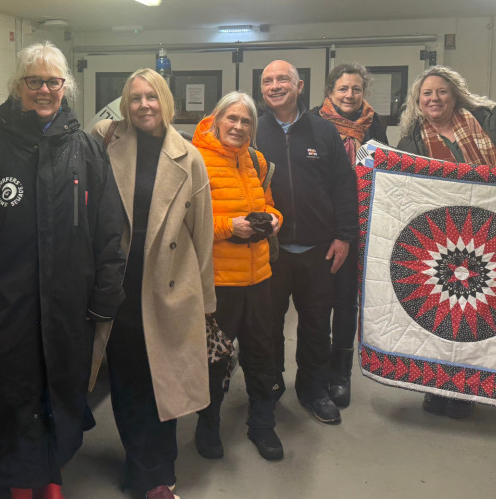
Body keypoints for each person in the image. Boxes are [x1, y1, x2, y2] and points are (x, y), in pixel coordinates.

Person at [0, 41, 126, 499]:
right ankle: (22, 485)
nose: (44, 90)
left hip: (67, 310)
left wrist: (105, 295)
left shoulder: (85, 149)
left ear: (66, 87)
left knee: (59, 395)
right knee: (12, 399)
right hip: (5, 308)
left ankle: (52, 478)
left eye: (53, 82)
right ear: (17, 86)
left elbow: (110, 229)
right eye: (34, 81)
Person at [395, 65, 496, 419]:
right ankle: (435, 386)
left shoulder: (490, 125)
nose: (434, 98)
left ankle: (465, 388)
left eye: (442, 92)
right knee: (440, 313)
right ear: (418, 103)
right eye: (427, 94)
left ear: (455, 95)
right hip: (441, 240)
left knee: (476, 315)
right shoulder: (411, 141)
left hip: (490, 236)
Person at [90, 68, 216, 499]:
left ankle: (158, 474)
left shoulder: (189, 157)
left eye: (152, 97)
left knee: (163, 383)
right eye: (136, 97)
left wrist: (205, 305)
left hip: (169, 289)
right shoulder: (108, 140)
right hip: (121, 289)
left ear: (166, 102)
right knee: (127, 385)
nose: (144, 105)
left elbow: (202, 235)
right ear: (126, 104)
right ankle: (145, 469)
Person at [256, 60, 357, 426]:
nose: (275, 85)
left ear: (299, 85)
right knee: (268, 326)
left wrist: (344, 237)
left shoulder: (324, 132)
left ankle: (314, 389)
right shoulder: (253, 131)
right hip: (270, 252)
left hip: (319, 250)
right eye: (268, 80)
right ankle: (270, 386)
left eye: (283, 79)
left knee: (316, 325)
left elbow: (344, 188)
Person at [191, 91, 284, 461]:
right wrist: (230, 227)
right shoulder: (195, 160)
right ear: (217, 119)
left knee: (263, 356)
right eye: (232, 118)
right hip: (218, 284)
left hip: (260, 279)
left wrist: (275, 220)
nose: (238, 126)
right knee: (215, 360)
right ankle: (207, 424)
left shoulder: (257, 161)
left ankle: (262, 425)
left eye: (246, 121)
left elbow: (269, 203)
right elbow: (188, 224)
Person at [309, 63, 388, 408]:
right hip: (319, 224)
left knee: (345, 301)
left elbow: (385, 166)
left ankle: (340, 374)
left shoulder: (375, 124)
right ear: (330, 91)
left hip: (357, 225)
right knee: (316, 302)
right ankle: (315, 370)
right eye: (343, 89)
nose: (350, 95)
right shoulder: (312, 121)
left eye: (356, 89)